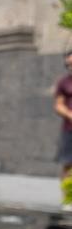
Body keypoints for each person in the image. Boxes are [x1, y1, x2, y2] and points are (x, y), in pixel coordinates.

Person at [54, 51, 72, 185]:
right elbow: (58, 105)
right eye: (68, 64)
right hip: (69, 129)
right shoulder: (63, 82)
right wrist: (70, 115)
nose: (70, 66)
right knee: (67, 163)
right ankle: (68, 200)